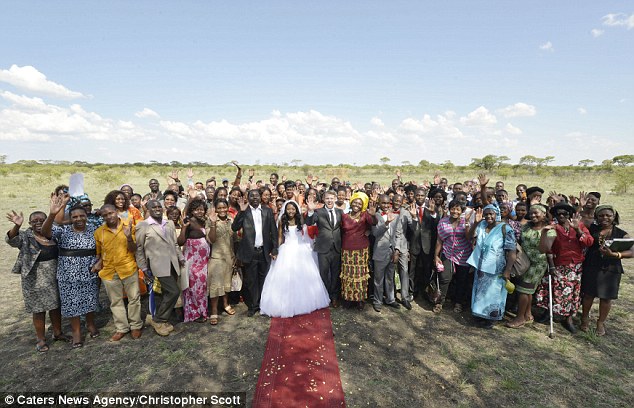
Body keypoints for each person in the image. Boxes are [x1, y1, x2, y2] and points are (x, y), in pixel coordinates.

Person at [41, 195, 100, 348]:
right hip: (68, 274)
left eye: (82, 215)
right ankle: (77, 333)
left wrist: (100, 262)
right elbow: (46, 232)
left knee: (90, 299)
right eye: (74, 216)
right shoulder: (63, 230)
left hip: (90, 272)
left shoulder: (95, 230)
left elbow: (104, 249)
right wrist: (53, 214)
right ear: (70, 218)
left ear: (87, 216)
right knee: (72, 303)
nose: (78, 219)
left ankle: (90, 323)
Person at [6, 210, 69, 352]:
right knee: (38, 309)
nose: (38, 222)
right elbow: (12, 240)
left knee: (55, 305)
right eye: (35, 220)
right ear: (30, 224)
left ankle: (58, 333)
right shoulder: (25, 236)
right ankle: (41, 339)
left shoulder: (53, 234)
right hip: (34, 278)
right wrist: (16, 226)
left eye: (42, 219)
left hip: (54, 275)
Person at [260, 200, 330, 317]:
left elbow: (307, 229)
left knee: (303, 276)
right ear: (285, 210)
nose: (291, 211)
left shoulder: (300, 219)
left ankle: (305, 301)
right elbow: (280, 236)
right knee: (285, 276)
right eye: (288, 209)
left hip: (300, 249)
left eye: (293, 209)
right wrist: (276, 249)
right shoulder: (282, 220)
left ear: (296, 210)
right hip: (286, 249)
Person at [536, 202, 593, 333]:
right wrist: (551, 265)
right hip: (559, 264)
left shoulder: (580, 226)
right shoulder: (553, 228)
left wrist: (578, 230)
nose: (561, 216)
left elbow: (589, 242)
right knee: (554, 289)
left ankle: (568, 318)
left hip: (575, 266)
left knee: (573, 293)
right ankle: (548, 313)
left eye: (564, 213)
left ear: (570, 215)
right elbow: (546, 249)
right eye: (558, 213)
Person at [135, 200, 186, 336]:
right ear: (149, 210)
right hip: (157, 264)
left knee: (167, 292)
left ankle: (162, 319)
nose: (157, 209)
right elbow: (139, 249)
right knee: (173, 292)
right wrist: (143, 268)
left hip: (173, 263)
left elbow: (174, 244)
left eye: (159, 207)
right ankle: (158, 319)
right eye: (154, 207)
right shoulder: (143, 226)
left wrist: (180, 258)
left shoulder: (168, 223)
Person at [92, 204, 143, 341]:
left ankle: (136, 325)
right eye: (105, 215)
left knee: (134, 298)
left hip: (128, 268)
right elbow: (99, 254)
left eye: (111, 213)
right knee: (115, 301)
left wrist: (128, 237)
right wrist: (98, 263)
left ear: (116, 212)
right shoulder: (99, 232)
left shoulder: (128, 227)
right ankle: (122, 328)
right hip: (109, 272)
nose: (109, 217)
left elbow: (133, 249)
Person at [580, 205, 631, 336]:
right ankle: (584, 318)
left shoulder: (621, 233)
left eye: (608, 215)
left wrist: (615, 254)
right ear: (597, 217)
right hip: (592, 265)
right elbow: (579, 221)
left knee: (606, 298)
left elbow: (632, 251)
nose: (605, 218)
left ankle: (600, 322)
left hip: (611, 268)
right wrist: (581, 206)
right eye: (601, 215)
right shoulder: (592, 229)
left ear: (614, 217)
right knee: (588, 294)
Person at [467, 205, 517, 328]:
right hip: (480, 266)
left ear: (497, 214)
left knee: (494, 293)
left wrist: (508, 270)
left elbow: (512, 252)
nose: (488, 216)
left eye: (491, 214)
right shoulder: (482, 225)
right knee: (480, 292)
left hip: (496, 268)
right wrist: (475, 223)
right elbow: (469, 237)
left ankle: (491, 318)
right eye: (486, 214)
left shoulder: (505, 228)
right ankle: (479, 315)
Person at [232, 189, 278, 317]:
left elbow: (273, 231)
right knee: (251, 281)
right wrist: (240, 212)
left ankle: (263, 304)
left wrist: (275, 248)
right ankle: (253, 306)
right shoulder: (244, 211)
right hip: (250, 252)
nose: (255, 198)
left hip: (264, 251)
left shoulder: (267, 211)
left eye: (257, 195)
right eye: (251, 196)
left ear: (260, 197)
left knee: (263, 279)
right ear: (248, 198)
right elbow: (234, 227)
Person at [506, 204, 551, 328]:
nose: (533, 215)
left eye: (536, 213)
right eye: (531, 213)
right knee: (528, 290)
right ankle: (527, 314)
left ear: (544, 214)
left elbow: (543, 249)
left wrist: (544, 234)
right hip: (523, 262)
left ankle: (519, 318)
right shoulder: (526, 226)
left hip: (537, 264)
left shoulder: (550, 230)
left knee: (523, 290)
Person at [340, 192, 378, 310]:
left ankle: (360, 300)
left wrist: (373, 215)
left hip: (361, 250)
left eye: (360, 203)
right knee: (348, 274)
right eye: (355, 202)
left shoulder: (365, 215)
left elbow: (374, 223)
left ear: (363, 205)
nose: (357, 204)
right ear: (351, 202)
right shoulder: (344, 216)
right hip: (347, 249)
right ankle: (348, 299)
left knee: (360, 275)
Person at [306, 190, 343, 307]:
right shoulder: (318, 212)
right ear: (324, 200)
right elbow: (309, 222)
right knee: (324, 273)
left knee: (336, 273)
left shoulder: (340, 212)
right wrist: (310, 211)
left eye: (332, 198)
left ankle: (334, 297)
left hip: (337, 247)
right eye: (327, 198)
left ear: (335, 199)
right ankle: (324, 295)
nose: (330, 200)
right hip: (323, 248)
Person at [434, 200, 473, 314]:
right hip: (448, 254)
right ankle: (439, 302)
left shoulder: (466, 222)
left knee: (462, 280)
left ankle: (458, 303)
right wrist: (436, 256)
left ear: (462, 211)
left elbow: (469, 237)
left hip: (464, 255)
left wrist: (466, 223)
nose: (455, 211)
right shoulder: (443, 222)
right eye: (453, 209)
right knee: (444, 278)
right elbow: (439, 240)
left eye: (458, 209)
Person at [177, 199, 211, 323]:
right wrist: (184, 228)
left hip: (203, 261)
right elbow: (180, 242)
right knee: (193, 288)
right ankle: (194, 313)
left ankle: (203, 311)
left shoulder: (205, 222)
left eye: (201, 209)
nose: (199, 212)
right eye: (196, 209)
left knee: (202, 288)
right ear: (191, 211)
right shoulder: (188, 222)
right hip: (193, 262)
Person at [207, 198, 237, 325]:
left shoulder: (231, 220)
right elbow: (211, 239)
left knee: (226, 282)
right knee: (215, 285)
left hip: (229, 256)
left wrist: (235, 256)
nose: (222, 210)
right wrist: (213, 223)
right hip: (216, 257)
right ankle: (214, 310)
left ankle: (225, 304)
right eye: (219, 208)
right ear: (215, 209)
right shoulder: (210, 220)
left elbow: (235, 239)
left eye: (224, 207)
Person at [370, 195, 401, 312]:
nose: (386, 206)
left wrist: (397, 250)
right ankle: (377, 301)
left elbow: (398, 234)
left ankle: (390, 299)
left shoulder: (396, 216)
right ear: (379, 203)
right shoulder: (375, 216)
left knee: (390, 277)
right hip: (379, 251)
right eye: (383, 203)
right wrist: (386, 223)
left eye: (388, 203)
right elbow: (375, 233)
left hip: (392, 252)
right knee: (378, 279)